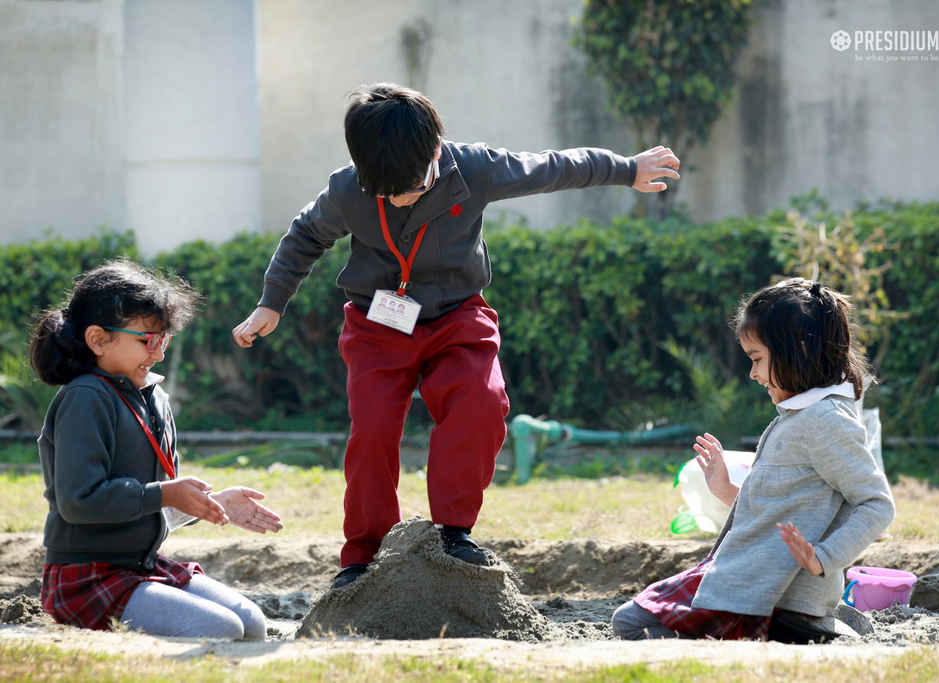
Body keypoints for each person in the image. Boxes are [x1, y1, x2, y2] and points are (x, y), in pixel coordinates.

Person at [231, 83, 681, 590]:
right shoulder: (347, 190)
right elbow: (305, 236)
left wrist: (627, 168)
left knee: (482, 402)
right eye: (388, 191)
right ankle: (363, 554)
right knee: (373, 431)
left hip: (456, 317)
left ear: (436, 151)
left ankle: (453, 533)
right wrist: (271, 302)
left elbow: (554, 167)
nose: (402, 197)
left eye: (413, 185)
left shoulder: (476, 168)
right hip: (378, 325)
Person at [612, 278, 895, 642]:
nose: (753, 374)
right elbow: (778, 511)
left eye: (757, 359)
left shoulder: (826, 421)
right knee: (635, 619)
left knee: (629, 622)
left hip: (772, 594)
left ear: (801, 350)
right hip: (753, 579)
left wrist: (822, 558)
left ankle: (787, 634)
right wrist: (727, 490)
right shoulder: (799, 416)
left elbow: (877, 505)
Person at [30, 260, 284, 640]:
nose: (159, 354)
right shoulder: (85, 397)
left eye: (164, 339)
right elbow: (78, 501)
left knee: (251, 622)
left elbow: (151, 503)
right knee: (223, 628)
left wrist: (213, 503)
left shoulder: (155, 398)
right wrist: (167, 492)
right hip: (86, 577)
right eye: (147, 340)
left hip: (141, 567)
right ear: (98, 339)